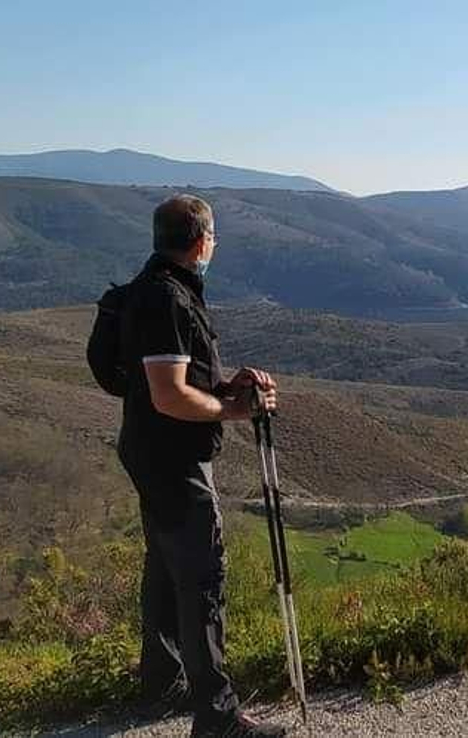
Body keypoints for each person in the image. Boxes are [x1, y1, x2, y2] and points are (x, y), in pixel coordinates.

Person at [117, 194, 284, 737]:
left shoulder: (152, 290)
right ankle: (217, 717)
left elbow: (176, 379)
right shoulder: (167, 298)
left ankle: (161, 683)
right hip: (174, 457)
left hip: (148, 450)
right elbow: (169, 396)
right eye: (212, 239)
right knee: (202, 579)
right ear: (200, 241)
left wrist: (222, 386)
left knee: (165, 572)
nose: (213, 247)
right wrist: (234, 409)